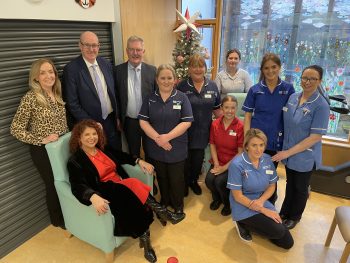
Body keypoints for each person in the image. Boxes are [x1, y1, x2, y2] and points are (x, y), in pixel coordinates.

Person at [67, 120, 185, 263]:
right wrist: (91, 196)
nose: (92, 137)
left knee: (130, 192)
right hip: (104, 190)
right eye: (87, 135)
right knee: (132, 185)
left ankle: (146, 238)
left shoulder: (102, 148)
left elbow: (121, 156)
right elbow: (77, 185)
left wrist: (139, 161)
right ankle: (162, 213)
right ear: (79, 138)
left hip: (121, 184)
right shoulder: (75, 161)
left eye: (94, 133)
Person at [10, 58, 68, 228]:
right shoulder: (30, 98)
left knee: (64, 181)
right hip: (43, 151)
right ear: (35, 77)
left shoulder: (56, 93)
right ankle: (58, 221)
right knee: (53, 184)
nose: (48, 75)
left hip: (61, 148)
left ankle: (70, 214)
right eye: (43, 72)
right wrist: (39, 140)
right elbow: (15, 128)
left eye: (51, 71)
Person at [272, 65, 330, 230]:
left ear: (319, 81)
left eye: (313, 79)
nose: (308, 82)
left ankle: (295, 216)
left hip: (305, 155)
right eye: (305, 78)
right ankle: (284, 211)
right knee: (290, 183)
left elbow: (315, 137)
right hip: (288, 151)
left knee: (300, 187)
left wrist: (287, 152)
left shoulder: (321, 105)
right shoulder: (293, 98)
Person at [139, 64, 193, 215]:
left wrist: (167, 138)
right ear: (157, 79)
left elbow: (187, 122)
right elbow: (143, 121)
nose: (166, 81)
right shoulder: (150, 99)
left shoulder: (182, 98)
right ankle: (165, 200)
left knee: (176, 178)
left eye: (169, 78)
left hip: (177, 146)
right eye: (162, 78)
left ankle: (178, 205)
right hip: (155, 146)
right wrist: (158, 139)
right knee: (161, 176)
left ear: (175, 80)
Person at [227, 128, 294, 249]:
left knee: (287, 243)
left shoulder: (267, 159)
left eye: (261, 145)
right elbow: (237, 196)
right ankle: (241, 223)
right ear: (246, 146)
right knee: (278, 231)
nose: (259, 149)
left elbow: (271, 186)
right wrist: (264, 211)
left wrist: (261, 202)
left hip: (260, 200)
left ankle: (262, 225)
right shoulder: (237, 164)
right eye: (254, 145)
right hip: (243, 204)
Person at [242, 53, 295, 204]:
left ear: (279, 68)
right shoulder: (255, 90)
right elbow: (247, 116)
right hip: (256, 140)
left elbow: (291, 117)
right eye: (266, 68)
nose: (270, 71)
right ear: (262, 70)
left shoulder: (288, 89)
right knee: (254, 171)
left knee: (270, 172)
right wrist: (246, 140)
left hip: (276, 140)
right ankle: (253, 201)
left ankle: (270, 200)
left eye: (274, 67)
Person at [62, 31, 122, 152]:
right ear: (80, 45)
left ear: (99, 46)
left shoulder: (106, 64)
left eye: (94, 45)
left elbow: (114, 92)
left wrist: (117, 116)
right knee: (99, 158)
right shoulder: (72, 69)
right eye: (87, 45)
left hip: (111, 122)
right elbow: (72, 104)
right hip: (90, 127)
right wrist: (91, 124)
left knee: (117, 155)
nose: (91, 49)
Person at [177, 54, 221, 196]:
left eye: (201, 66)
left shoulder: (212, 86)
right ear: (189, 69)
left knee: (197, 161)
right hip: (184, 133)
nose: (197, 69)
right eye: (194, 66)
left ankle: (193, 181)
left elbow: (218, 110)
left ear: (205, 68)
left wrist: (231, 124)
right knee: (184, 161)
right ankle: (183, 183)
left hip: (203, 133)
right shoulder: (182, 86)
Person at [114, 35, 157, 158]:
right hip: (130, 121)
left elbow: (157, 96)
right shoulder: (117, 71)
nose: (135, 53)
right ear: (127, 51)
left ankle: (151, 176)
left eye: (138, 50)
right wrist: (117, 117)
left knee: (151, 151)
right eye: (132, 49)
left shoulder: (152, 71)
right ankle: (137, 176)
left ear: (143, 51)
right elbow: (115, 97)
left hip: (149, 121)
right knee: (133, 153)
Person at [205, 95, 244, 216]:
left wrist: (224, 168)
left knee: (220, 182)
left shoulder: (240, 126)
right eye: (226, 107)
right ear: (221, 108)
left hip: (233, 163)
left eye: (233, 108)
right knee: (209, 181)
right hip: (218, 160)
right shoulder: (215, 124)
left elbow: (240, 152)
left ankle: (227, 204)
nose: (230, 111)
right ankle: (217, 199)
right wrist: (216, 164)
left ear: (236, 108)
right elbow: (212, 144)